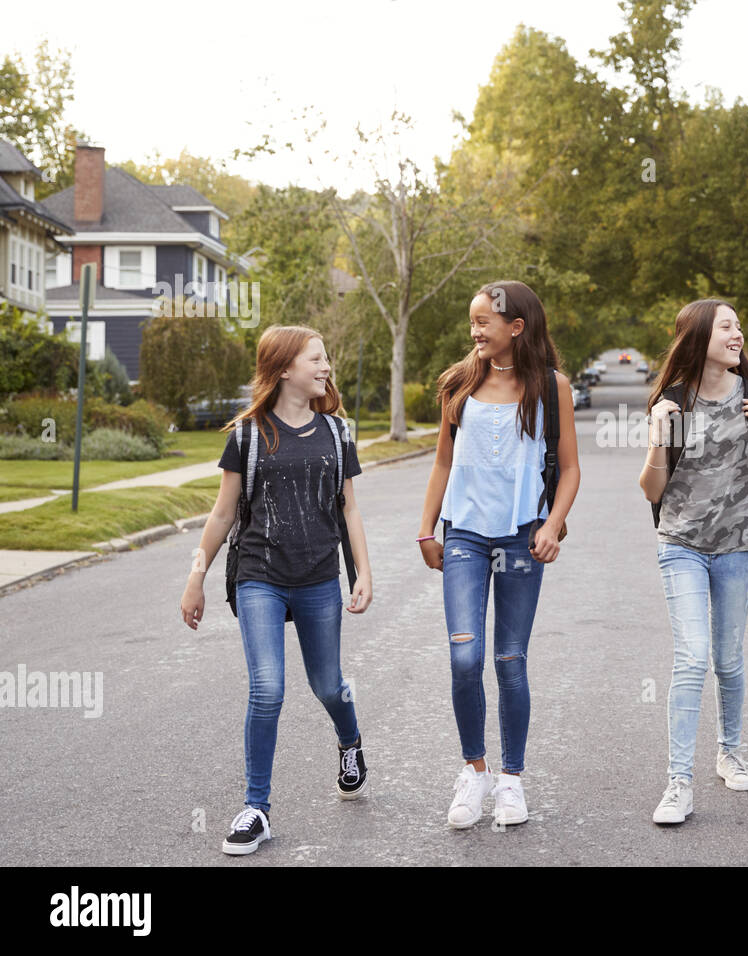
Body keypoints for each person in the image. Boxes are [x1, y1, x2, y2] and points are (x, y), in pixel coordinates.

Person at [180, 325, 373, 855]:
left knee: (329, 685)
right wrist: (196, 576)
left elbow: (349, 509)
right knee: (267, 689)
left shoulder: (336, 433)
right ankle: (256, 809)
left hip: (317, 577)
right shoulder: (246, 435)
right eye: (317, 358)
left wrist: (363, 573)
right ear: (286, 368)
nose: (326, 366)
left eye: (326, 358)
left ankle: (350, 742)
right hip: (259, 576)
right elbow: (221, 515)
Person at [416, 280, 579, 829]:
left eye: (484, 322)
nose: (474, 331)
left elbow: (570, 468)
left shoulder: (551, 387)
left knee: (510, 659)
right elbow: (442, 462)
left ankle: (511, 780)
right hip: (462, 535)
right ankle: (473, 772)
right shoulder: (458, 384)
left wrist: (553, 525)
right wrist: (425, 530)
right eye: (472, 321)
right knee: (465, 657)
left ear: (517, 327)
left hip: (520, 536)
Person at [639, 298, 748, 825]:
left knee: (727, 657)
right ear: (699, 336)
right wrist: (659, 436)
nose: (737, 333)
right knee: (692, 656)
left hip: (740, 546)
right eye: (727, 325)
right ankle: (678, 781)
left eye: (739, 325)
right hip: (680, 542)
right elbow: (651, 488)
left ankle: (729, 751)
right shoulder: (673, 404)